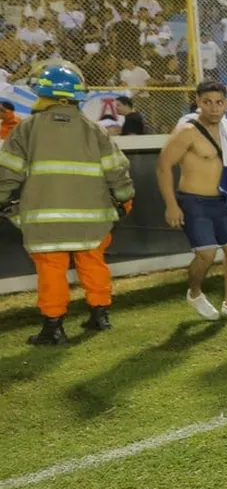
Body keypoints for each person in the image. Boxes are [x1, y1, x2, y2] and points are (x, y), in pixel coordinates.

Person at [0, 64, 135, 345]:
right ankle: (100, 315)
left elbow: (7, 173)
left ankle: (54, 328)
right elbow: (117, 170)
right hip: (92, 219)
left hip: (44, 220)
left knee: (51, 270)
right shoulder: (94, 130)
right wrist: (124, 198)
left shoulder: (26, 129)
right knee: (93, 263)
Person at [156, 81, 227, 320]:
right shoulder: (188, 131)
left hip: (222, 199)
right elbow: (163, 166)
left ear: (226, 103)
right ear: (198, 102)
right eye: (207, 102)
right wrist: (171, 205)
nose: (214, 108)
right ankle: (194, 293)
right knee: (207, 255)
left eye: (219, 102)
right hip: (194, 201)